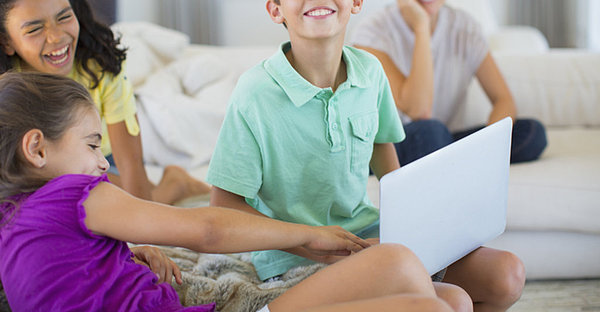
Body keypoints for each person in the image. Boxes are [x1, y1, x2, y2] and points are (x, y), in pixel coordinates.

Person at [0, 71, 454, 312]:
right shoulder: (74, 194)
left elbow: (60, 283)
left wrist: (126, 255)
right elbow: (208, 230)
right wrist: (304, 235)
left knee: (450, 300)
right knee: (415, 283)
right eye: (93, 144)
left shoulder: (15, 216)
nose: (102, 162)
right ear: (37, 148)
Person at [206, 0, 491, 312]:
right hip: (291, 258)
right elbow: (223, 205)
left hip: (366, 238)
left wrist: (404, 227)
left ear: (356, 0)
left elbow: (382, 151)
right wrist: (304, 238)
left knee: (502, 276)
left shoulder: (369, 71)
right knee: (448, 302)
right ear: (276, 9)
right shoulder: (255, 91)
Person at [0, 0, 209, 204]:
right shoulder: (7, 86)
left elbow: (130, 162)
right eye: (34, 29)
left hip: (99, 159)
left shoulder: (101, 66)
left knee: (115, 203)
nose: (56, 37)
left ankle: (175, 184)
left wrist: (140, 237)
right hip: (37, 168)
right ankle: (175, 184)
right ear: (7, 42)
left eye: (64, 17)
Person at [352, 0, 547, 166]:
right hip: (392, 145)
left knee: (531, 133)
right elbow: (418, 110)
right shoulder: (372, 32)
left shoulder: (464, 27)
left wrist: (489, 142)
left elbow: (503, 99)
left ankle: (456, 161)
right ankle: (457, 162)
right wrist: (421, 27)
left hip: (443, 139)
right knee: (430, 132)